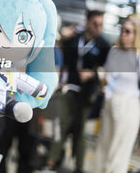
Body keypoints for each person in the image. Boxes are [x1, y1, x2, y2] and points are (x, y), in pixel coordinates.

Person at [45, 10, 110, 173]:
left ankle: (79, 167)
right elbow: (58, 51)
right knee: (61, 125)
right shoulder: (74, 37)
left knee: (81, 131)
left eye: (101, 24)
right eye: (95, 24)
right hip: (68, 89)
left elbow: (109, 69)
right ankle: (51, 162)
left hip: (88, 94)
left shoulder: (104, 45)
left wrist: (93, 73)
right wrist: (61, 35)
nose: (98, 28)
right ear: (87, 22)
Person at [95, 15, 140, 173]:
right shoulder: (114, 51)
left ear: (136, 34)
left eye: (128, 31)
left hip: (129, 103)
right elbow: (107, 73)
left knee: (119, 151)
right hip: (110, 99)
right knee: (103, 146)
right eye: (122, 30)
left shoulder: (138, 56)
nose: (123, 34)